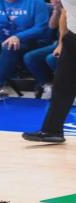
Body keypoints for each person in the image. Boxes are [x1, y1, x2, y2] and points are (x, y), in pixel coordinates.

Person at [23, 0, 76, 143]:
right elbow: (65, 13)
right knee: (62, 85)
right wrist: (62, 42)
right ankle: (52, 131)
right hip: (72, 38)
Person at [22, 0, 63, 99]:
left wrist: (62, 45)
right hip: (60, 43)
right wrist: (56, 10)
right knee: (31, 57)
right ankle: (48, 86)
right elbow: (52, 26)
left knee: (52, 58)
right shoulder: (60, 9)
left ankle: (69, 87)